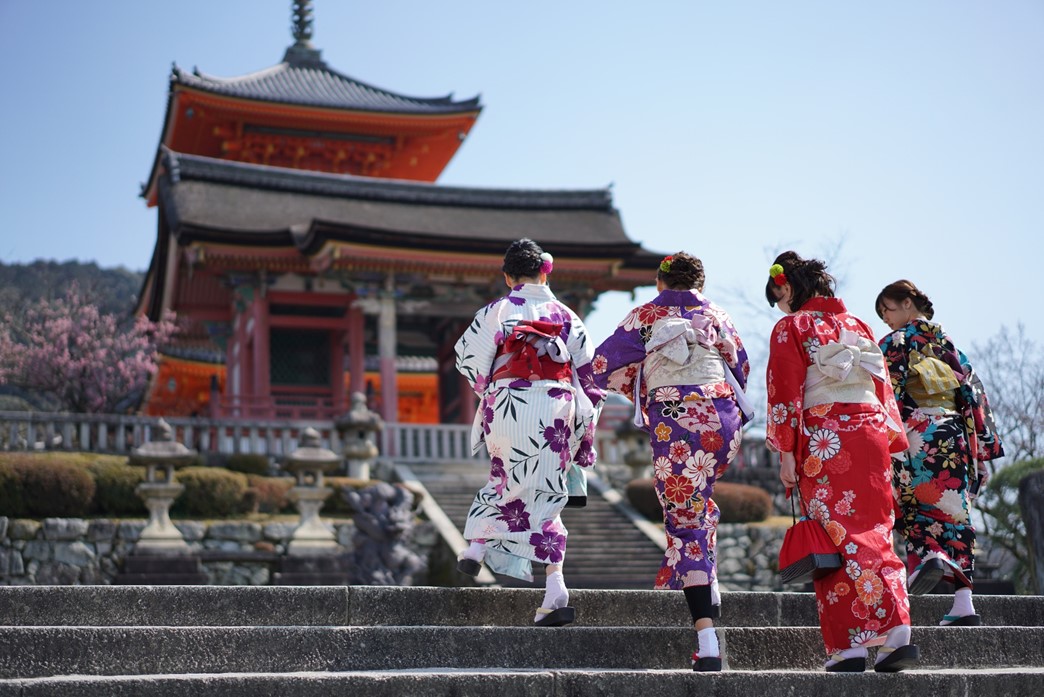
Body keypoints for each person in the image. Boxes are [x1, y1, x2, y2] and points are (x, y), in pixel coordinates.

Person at [592, 252, 751, 672]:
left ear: (660, 281)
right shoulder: (717, 314)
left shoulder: (646, 315)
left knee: (683, 523)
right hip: (723, 420)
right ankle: (710, 581)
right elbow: (741, 367)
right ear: (701, 283)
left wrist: (643, 375)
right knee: (698, 503)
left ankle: (707, 640)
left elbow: (601, 365)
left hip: (677, 421)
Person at [765, 251, 917, 673]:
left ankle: (849, 647)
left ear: (786, 287)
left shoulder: (792, 327)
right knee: (875, 530)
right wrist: (889, 438)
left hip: (825, 438)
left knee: (834, 537)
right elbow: (881, 390)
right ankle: (896, 630)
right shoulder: (859, 325)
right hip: (870, 434)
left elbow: (784, 393)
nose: (781, 308)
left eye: (779, 298)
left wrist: (786, 454)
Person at [454, 238, 604, 626]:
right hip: (556, 406)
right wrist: (584, 430)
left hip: (508, 403)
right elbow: (590, 376)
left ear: (508, 277)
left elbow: (469, 361)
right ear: (544, 273)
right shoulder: (567, 315)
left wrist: (494, 391)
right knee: (547, 493)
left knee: (504, 478)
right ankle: (555, 587)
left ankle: (476, 548)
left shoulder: (497, 310)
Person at [876, 280, 1004, 625]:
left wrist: (880, 437)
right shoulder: (949, 345)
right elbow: (973, 395)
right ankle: (964, 604)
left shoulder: (894, 343)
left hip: (915, 434)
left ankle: (929, 555)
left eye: (887, 309)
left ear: (907, 303)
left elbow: (886, 393)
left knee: (910, 503)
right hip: (954, 434)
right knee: (957, 515)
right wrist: (981, 449)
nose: (885, 318)